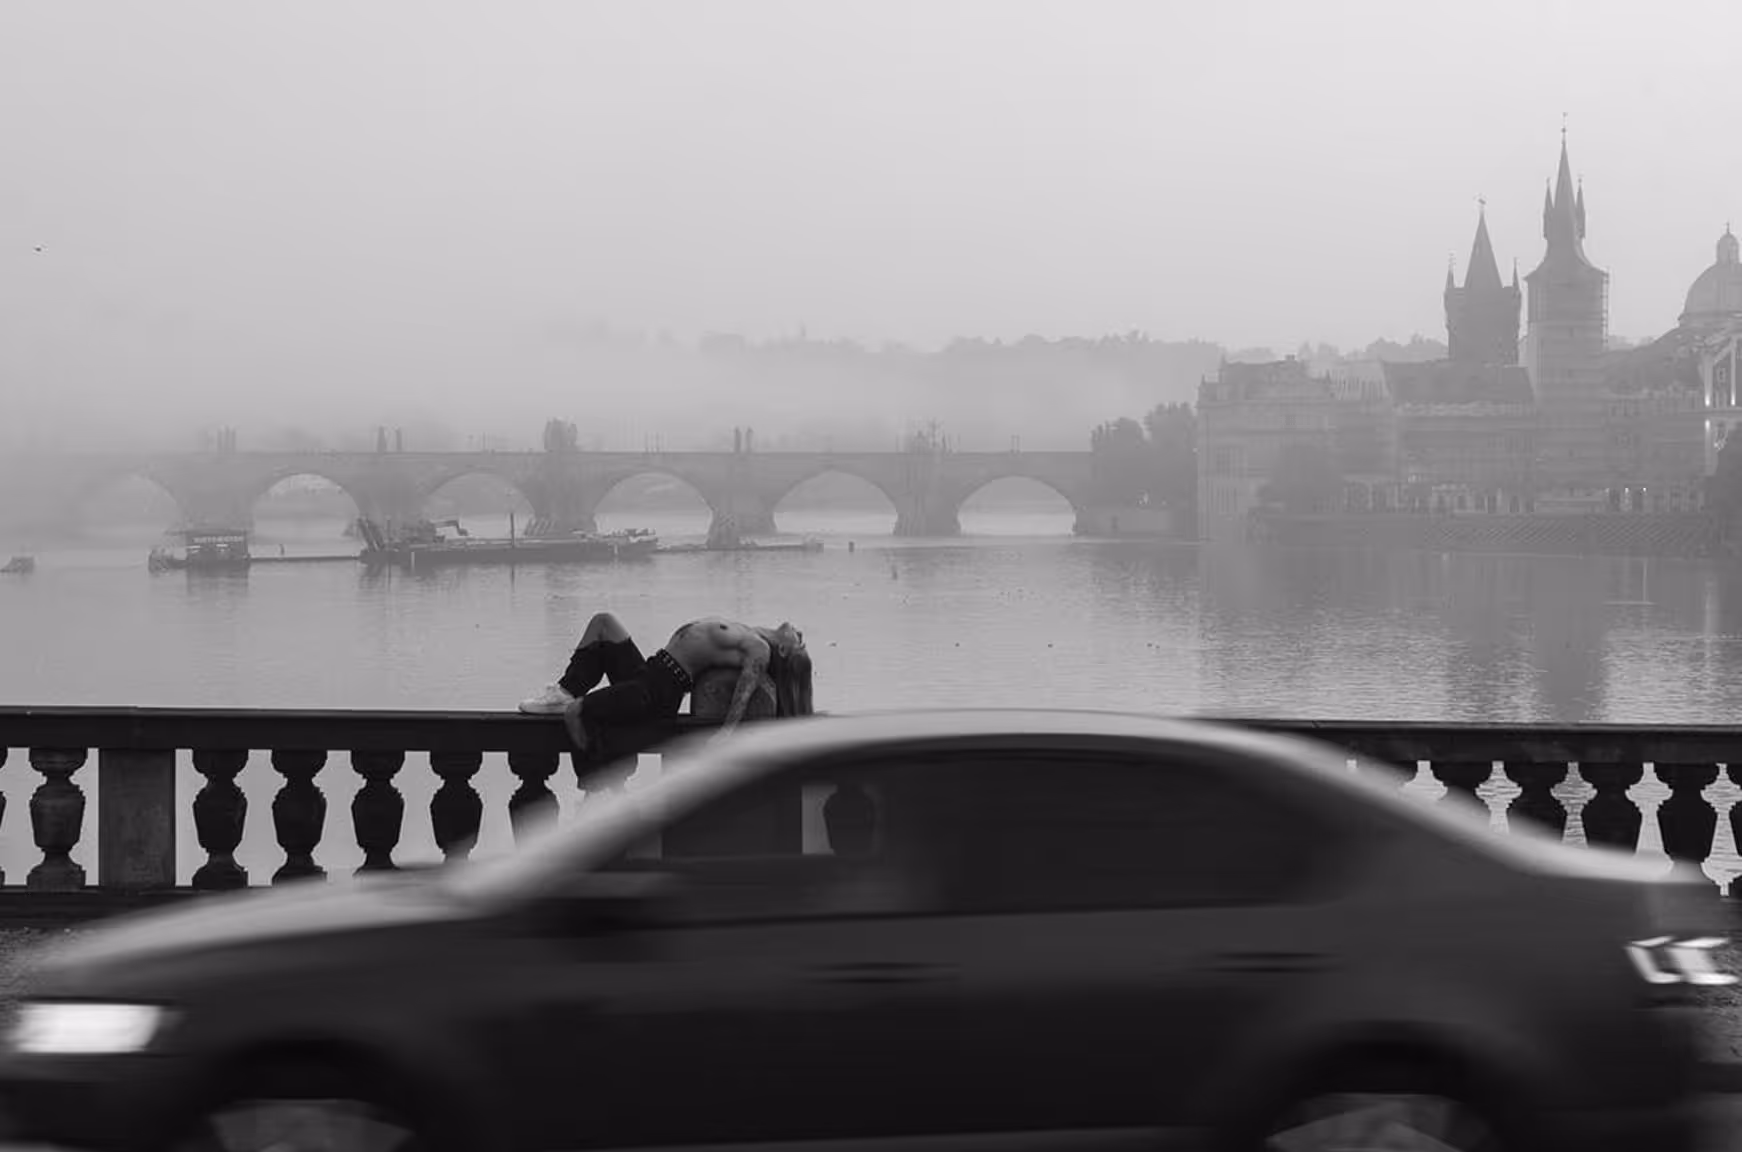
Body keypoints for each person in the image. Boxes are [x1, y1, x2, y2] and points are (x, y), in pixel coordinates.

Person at [519, 612, 808, 753]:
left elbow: (744, 693)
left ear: (783, 650)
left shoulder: (761, 650)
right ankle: (563, 692)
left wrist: (725, 733)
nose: (799, 632)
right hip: (651, 669)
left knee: (577, 711)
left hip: (658, 690)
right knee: (603, 623)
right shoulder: (752, 631)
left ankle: (576, 716)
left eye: (800, 641)